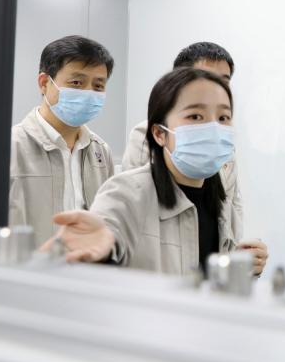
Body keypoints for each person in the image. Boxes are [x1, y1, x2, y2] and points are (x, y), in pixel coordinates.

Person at [47, 68, 268, 276]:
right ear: (160, 134)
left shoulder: (218, 197)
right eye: (195, 116)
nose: (213, 128)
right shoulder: (127, 192)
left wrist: (237, 264)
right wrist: (102, 247)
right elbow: (109, 231)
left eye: (223, 118)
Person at [9, 35, 116, 246]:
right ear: (44, 83)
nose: (89, 93)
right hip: (30, 265)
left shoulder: (101, 152)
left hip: (85, 265)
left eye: (98, 86)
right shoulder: (12, 147)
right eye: (76, 83)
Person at [121, 41, 234, 170]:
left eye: (223, 82)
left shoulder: (224, 135)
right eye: (203, 79)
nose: (215, 88)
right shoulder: (146, 135)